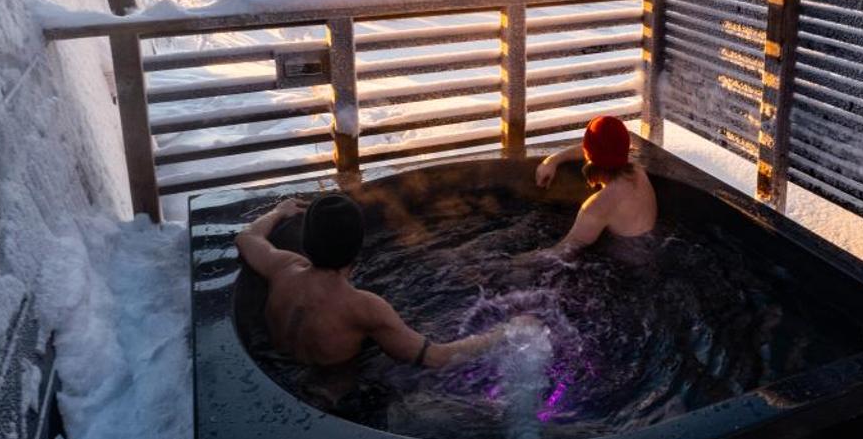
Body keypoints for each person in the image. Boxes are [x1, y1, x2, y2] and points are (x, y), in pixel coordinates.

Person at [236, 193, 526, 368]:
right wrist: (505, 333)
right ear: (358, 246)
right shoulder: (362, 307)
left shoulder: (282, 268)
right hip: (338, 390)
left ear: (306, 240)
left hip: (281, 361)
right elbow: (434, 358)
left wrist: (278, 212)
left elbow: (247, 237)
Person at [533, 114, 658, 252]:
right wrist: (553, 160)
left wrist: (511, 263)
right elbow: (603, 148)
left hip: (624, 262)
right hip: (651, 247)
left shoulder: (598, 206)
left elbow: (559, 254)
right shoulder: (637, 169)